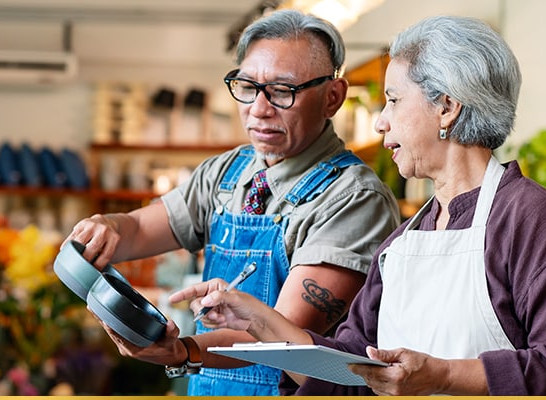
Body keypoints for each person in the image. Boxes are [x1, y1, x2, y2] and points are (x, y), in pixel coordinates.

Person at [175, 15, 546, 396]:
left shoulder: (534, 222)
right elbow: (350, 366)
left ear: (446, 107)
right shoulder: (406, 241)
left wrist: (442, 375)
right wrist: (258, 321)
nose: (381, 120)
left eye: (393, 99)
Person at [65, 9, 400, 396]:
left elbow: (277, 339)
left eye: (282, 90)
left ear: (332, 97)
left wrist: (183, 351)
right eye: (246, 86)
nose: (258, 109)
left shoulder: (353, 199)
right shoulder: (227, 172)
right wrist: (109, 227)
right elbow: (140, 229)